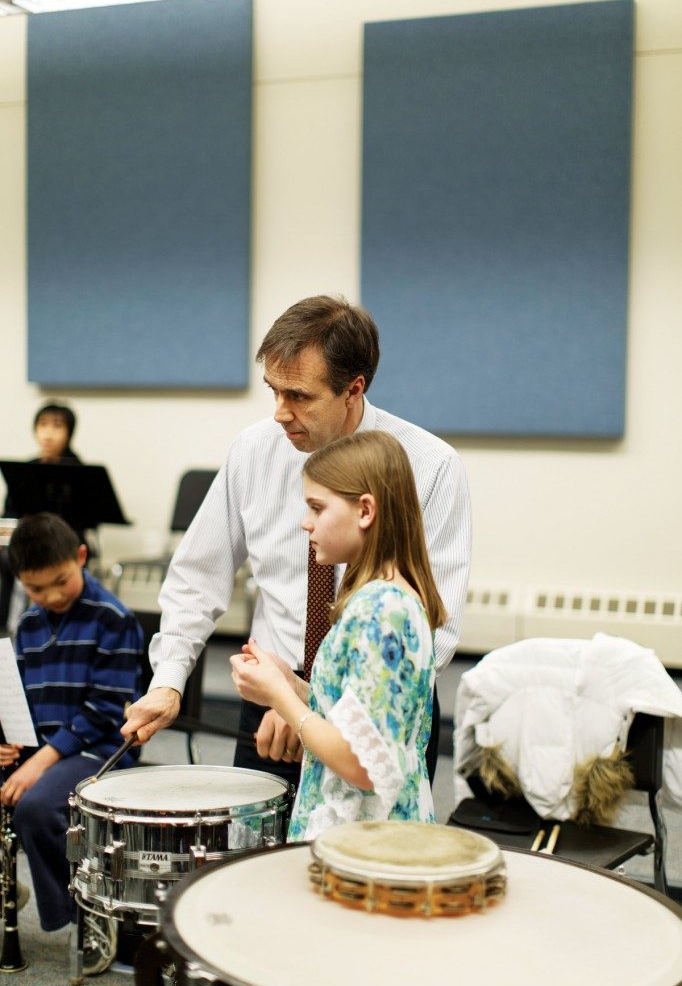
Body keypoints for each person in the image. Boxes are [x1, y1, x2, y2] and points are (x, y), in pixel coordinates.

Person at [121, 295, 471, 788]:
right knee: (265, 861)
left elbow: (434, 629)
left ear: (354, 389)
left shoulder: (428, 466)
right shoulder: (254, 449)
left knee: (370, 861)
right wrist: (168, 682)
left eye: (300, 396)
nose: (281, 413)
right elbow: (198, 575)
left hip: (378, 708)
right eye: (274, 391)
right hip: (271, 704)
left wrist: (312, 699)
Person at [231, 431, 444, 839]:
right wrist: (292, 684)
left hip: (366, 845)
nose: (304, 522)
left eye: (317, 507)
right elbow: (363, 715)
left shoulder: (383, 611)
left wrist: (280, 698)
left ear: (365, 511)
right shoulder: (386, 599)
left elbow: (363, 765)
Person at [0, 512, 142, 968]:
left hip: (99, 752)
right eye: (36, 589)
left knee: (37, 808)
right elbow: (16, 699)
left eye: (61, 581)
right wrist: (7, 741)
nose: (51, 596)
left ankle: (84, 913)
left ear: (81, 558)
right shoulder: (29, 625)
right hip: (42, 751)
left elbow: (105, 711)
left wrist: (38, 761)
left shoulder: (114, 619)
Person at [1, 400, 82, 632]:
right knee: (9, 557)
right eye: (43, 425)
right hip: (26, 539)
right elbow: (8, 514)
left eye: (57, 426)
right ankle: (9, 626)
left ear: (69, 433)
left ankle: (31, 627)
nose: (48, 433)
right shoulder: (24, 469)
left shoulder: (78, 471)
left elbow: (84, 518)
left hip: (63, 542)